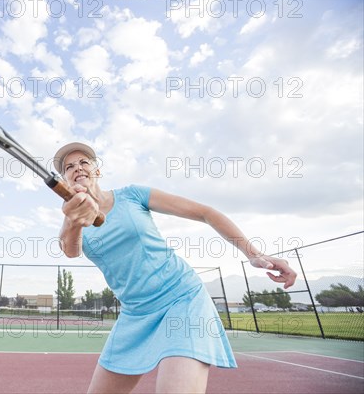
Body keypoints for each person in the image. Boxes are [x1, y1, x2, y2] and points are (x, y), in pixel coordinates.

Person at [54, 142, 297, 394]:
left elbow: (205, 212)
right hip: (135, 312)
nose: (77, 168)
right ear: (65, 180)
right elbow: (70, 251)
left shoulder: (132, 195)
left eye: (83, 162)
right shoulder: (72, 218)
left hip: (181, 299)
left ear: (97, 170)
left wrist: (253, 254)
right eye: (69, 167)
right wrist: (73, 219)